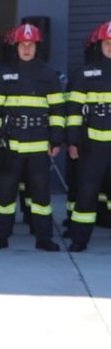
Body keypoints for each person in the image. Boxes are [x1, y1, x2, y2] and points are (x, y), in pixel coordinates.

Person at [0, 23, 63, 251]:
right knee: (5, 196)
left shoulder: (49, 75)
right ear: (15, 47)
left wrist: (56, 139)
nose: (26, 49)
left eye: (30, 45)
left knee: (40, 198)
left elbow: (58, 111)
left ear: (37, 47)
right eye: (22, 45)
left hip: (39, 147)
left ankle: (44, 238)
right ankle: (0, 237)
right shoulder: (3, 75)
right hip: (11, 146)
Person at [66, 20, 111, 252]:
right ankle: (79, 239)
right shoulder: (85, 74)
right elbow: (74, 112)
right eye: (107, 43)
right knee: (86, 192)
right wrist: (72, 141)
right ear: (99, 45)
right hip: (92, 146)